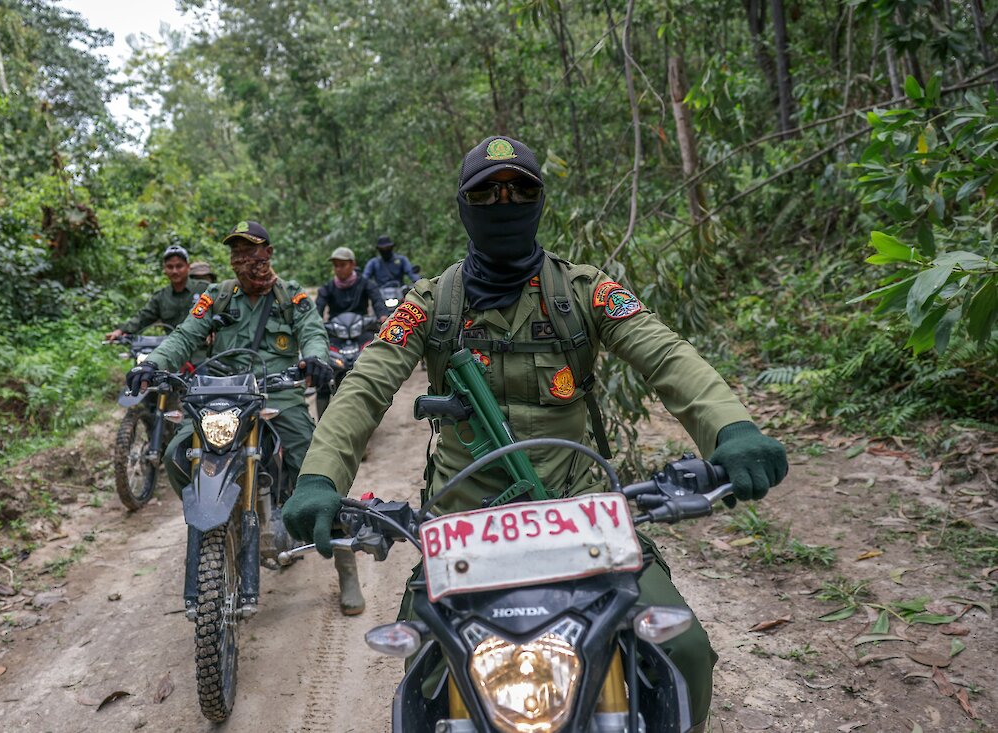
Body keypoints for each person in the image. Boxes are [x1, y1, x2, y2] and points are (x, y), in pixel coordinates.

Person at [282, 136, 788, 731]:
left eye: (520, 189)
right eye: (487, 192)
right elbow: (367, 382)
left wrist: (732, 428)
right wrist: (319, 475)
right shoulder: (431, 303)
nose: (505, 202)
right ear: (465, 206)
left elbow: (667, 356)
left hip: (580, 512)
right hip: (463, 524)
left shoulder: (581, 292)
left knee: (684, 651)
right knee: (423, 672)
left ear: (540, 200)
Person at [126, 220, 365, 616]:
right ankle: (218, 527)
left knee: (315, 462)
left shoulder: (292, 296)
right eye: (237, 254)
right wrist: (152, 363)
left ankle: (345, 565)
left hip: (278, 392)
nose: (244, 261)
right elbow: (185, 335)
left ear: (268, 253)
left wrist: (317, 358)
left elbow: (313, 332)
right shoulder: (216, 295)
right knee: (175, 452)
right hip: (221, 393)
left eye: (252, 253)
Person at [105, 245, 209, 341]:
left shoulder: (203, 289)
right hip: (172, 350)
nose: (175, 271)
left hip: (202, 349)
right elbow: (143, 317)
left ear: (187, 267)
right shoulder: (162, 296)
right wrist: (121, 330)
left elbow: (221, 311)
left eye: (179, 266)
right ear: (164, 269)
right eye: (170, 267)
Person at [317, 247, 390, 320]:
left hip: (362, 327)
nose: (338, 269)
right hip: (334, 328)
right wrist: (317, 323)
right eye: (336, 265)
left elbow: (377, 301)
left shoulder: (365, 283)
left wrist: (383, 316)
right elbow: (319, 307)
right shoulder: (327, 287)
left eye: (342, 265)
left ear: (353, 264)